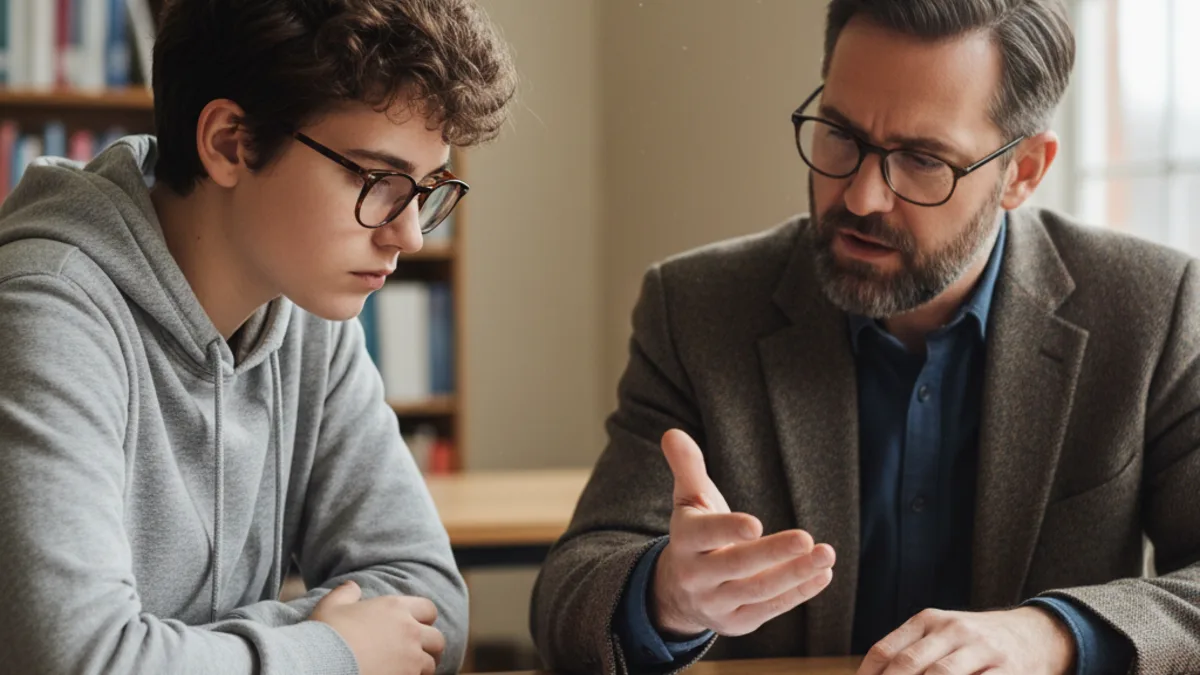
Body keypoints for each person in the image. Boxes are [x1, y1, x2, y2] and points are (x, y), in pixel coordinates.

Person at [531, 1, 1199, 674]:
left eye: (920, 159)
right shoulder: (699, 308)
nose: (860, 198)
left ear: (1023, 171)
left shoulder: (1151, 310)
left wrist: (1052, 634)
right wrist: (666, 593)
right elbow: (569, 596)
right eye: (840, 135)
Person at [0, 1, 514, 673]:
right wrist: (334, 648)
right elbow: (78, 662)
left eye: (425, 189)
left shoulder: (304, 307)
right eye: (377, 180)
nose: (409, 234)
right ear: (228, 142)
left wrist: (192, 651)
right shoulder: (46, 308)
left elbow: (431, 601)